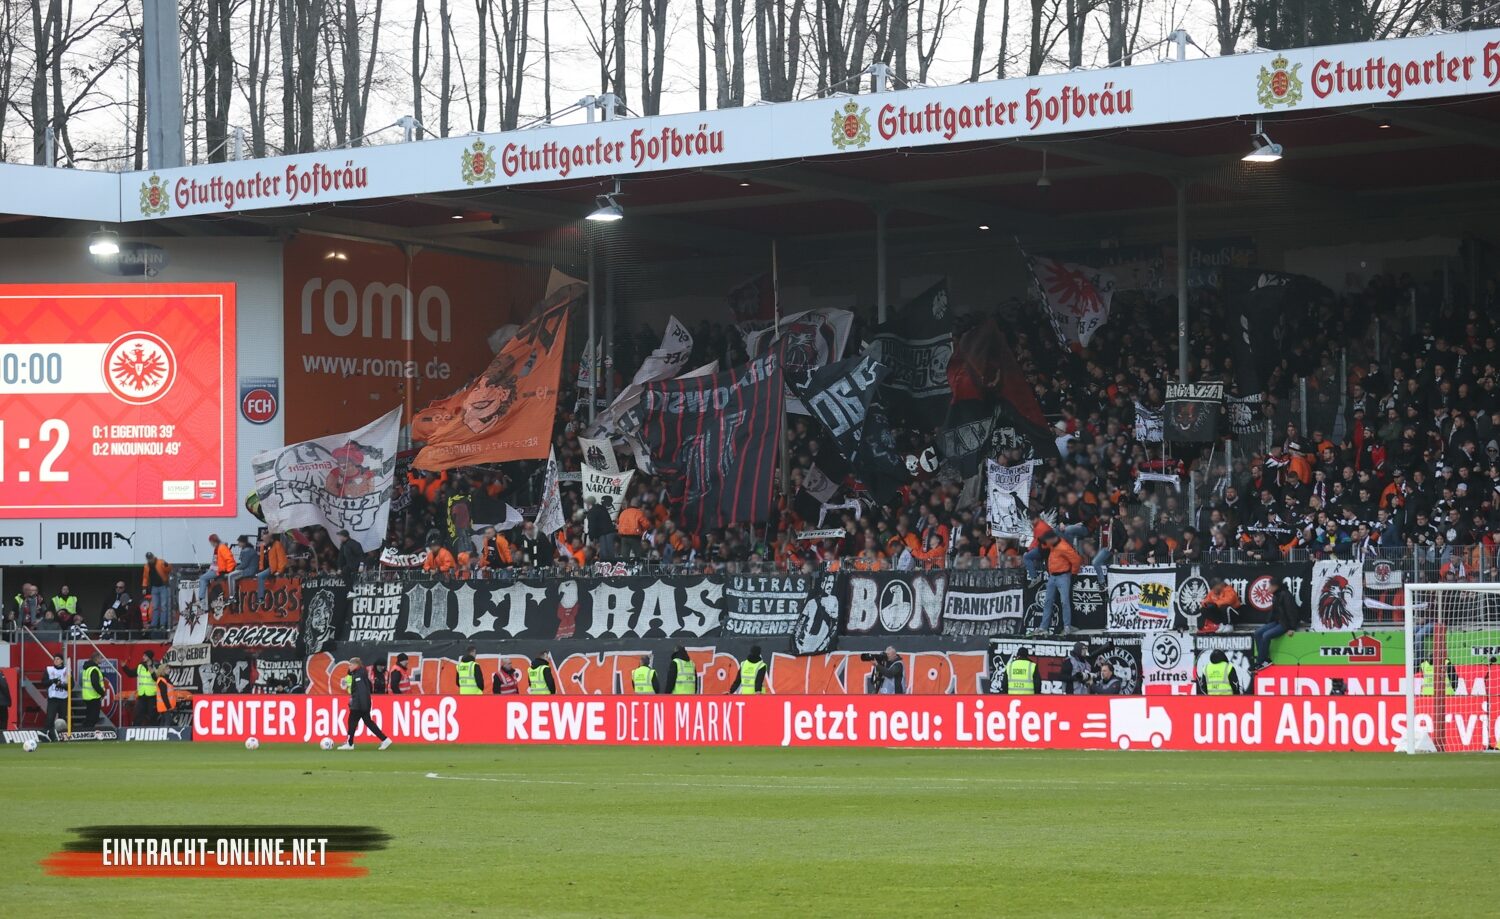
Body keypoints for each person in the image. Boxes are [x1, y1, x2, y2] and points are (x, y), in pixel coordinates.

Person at [338, 657, 391, 750]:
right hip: (363, 703)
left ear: (355, 665)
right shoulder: (361, 673)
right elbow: (368, 686)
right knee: (368, 722)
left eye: (350, 665)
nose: (349, 667)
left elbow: (361, 691)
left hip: (359, 704)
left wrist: (362, 705)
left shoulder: (358, 675)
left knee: (352, 722)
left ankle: (349, 744)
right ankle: (385, 739)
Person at [1038, 529, 1084, 635]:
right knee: (1048, 602)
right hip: (1052, 577)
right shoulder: (1053, 544)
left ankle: (1067, 626)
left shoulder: (1064, 547)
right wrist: (1041, 541)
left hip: (1063, 576)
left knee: (1064, 602)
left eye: (1047, 540)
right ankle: (1043, 627)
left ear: (1052, 539)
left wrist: (1073, 573)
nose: (1046, 543)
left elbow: (1076, 560)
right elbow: (1044, 546)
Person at [1253, 580, 1301, 669]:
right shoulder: (1276, 595)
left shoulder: (1286, 595)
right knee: (1258, 632)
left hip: (1286, 624)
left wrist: (1292, 628)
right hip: (1277, 622)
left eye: (1269, 586)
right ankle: (1264, 659)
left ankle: (1260, 662)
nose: (1267, 589)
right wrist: (1268, 623)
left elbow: (1292, 612)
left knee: (1266, 635)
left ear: (1275, 586)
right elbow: (1274, 612)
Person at [198, 534, 236, 602]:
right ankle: (202, 598)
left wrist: (228, 571)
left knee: (202, 578)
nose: (211, 544)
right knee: (204, 577)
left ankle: (201, 598)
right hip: (216, 569)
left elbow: (230, 560)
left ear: (213, 541)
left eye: (211, 543)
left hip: (219, 570)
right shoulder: (219, 548)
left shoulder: (221, 548)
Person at [142, 552, 173, 633]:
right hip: (154, 588)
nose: (150, 559)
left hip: (163, 586)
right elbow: (145, 577)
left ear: (153, 557)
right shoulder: (146, 566)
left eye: (151, 557)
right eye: (149, 558)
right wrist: (144, 587)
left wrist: (167, 565)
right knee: (155, 606)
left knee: (163, 606)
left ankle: (163, 624)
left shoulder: (160, 562)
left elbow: (168, 570)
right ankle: (154, 624)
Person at [253, 533, 288, 602]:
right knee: (259, 575)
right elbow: (261, 559)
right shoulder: (263, 546)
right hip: (267, 568)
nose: (264, 541)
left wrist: (279, 571)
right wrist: (261, 569)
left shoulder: (277, 544)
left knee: (260, 576)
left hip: (273, 568)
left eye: (265, 540)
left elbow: (282, 559)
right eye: (263, 540)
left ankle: (260, 597)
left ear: (271, 539)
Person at [44, 654, 69, 740]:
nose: (56, 660)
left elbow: (71, 686)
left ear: (62, 660)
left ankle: (63, 736)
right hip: (53, 698)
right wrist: (52, 681)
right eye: (54, 659)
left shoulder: (67, 670)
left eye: (58, 659)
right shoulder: (49, 669)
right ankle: (48, 736)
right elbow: (43, 683)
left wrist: (62, 685)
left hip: (63, 698)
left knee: (63, 719)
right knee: (50, 718)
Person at [226, 535, 256, 604]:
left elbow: (244, 564)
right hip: (251, 569)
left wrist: (235, 569)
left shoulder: (246, 550)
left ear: (243, 543)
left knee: (231, 576)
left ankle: (231, 597)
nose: (238, 543)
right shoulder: (250, 549)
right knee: (233, 574)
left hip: (249, 570)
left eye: (239, 542)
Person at [80, 652, 106, 730]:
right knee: (93, 718)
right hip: (94, 696)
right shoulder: (94, 669)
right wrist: (102, 693)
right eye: (101, 658)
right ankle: (87, 732)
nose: (102, 659)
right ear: (96, 659)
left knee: (89, 716)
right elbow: (95, 683)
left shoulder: (87, 668)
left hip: (87, 696)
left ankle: (85, 730)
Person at [133, 651, 159, 726]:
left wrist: (152, 672)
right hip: (142, 696)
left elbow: (157, 679)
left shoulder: (156, 666)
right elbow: (131, 674)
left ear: (149, 657)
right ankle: (135, 731)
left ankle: (153, 733)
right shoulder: (140, 666)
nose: (143, 657)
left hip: (152, 696)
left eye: (145, 656)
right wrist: (124, 667)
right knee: (138, 715)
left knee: (152, 716)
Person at [0, 665, 10, 731]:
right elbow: (4, 686)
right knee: (4, 719)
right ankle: (2, 736)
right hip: (2, 702)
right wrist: (8, 700)